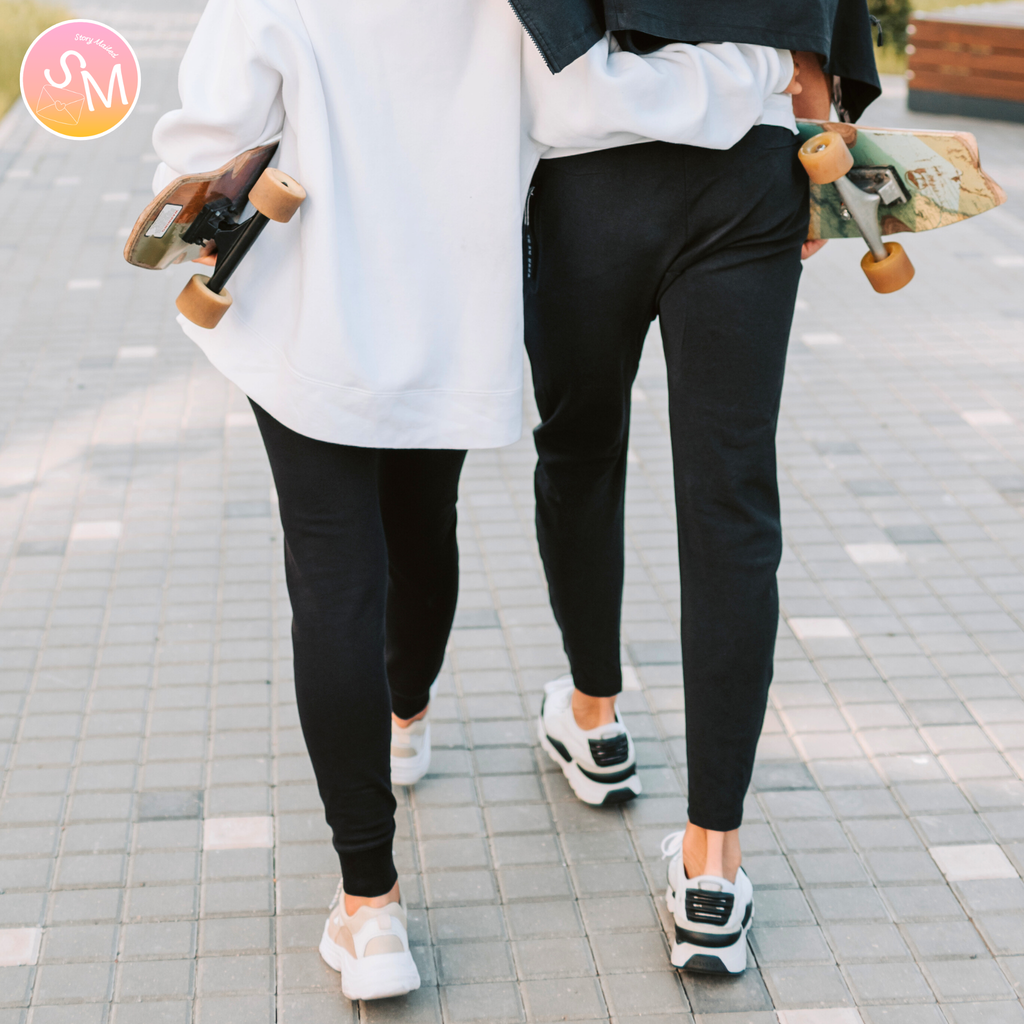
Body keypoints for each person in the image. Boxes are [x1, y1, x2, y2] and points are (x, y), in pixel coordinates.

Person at [151, 0, 800, 1001]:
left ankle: (371, 908)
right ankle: (406, 718)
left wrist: (189, 201)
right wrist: (761, 76)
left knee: (333, 579)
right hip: (445, 314)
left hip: (307, 309)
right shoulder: (511, 7)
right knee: (423, 533)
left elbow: (207, 144)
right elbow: (575, 106)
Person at [521, 0, 882, 976]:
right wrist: (817, 128)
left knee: (579, 450)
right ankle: (711, 863)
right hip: (747, 168)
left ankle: (594, 717)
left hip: (584, 172)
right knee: (731, 498)